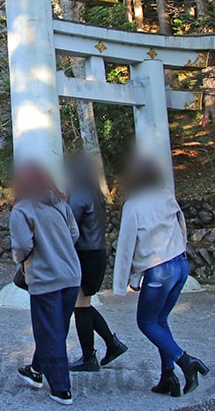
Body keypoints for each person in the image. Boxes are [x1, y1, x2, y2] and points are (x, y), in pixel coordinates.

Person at [113, 156, 209, 397]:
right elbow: (182, 225)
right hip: (179, 264)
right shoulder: (166, 195)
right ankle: (168, 376)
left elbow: (126, 247)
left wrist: (125, 281)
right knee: (160, 320)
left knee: (146, 322)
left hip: (158, 269)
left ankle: (185, 361)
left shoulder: (133, 206)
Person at [11, 162, 81, 406]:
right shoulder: (61, 204)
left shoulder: (22, 210)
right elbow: (74, 235)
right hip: (71, 274)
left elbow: (22, 246)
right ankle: (36, 370)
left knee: (49, 331)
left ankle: (61, 388)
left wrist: (21, 260)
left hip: (45, 277)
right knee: (56, 329)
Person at [66, 155, 128, 372]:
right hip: (97, 252)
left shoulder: (79, 193)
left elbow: (69, 224)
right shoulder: (95, 193)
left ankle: (89, 357)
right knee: (83, 304)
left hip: (84, 254)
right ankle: (111, 344)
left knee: (80, 307)